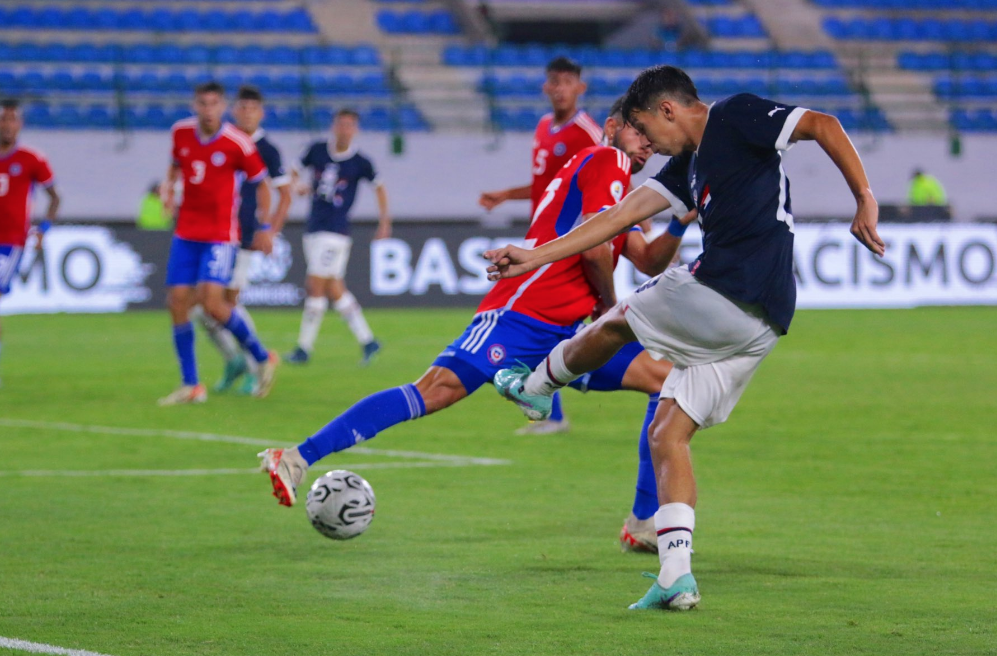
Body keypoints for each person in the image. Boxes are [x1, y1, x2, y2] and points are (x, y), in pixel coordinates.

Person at [485, 65, 884, 611]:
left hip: (728, 289)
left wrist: (864, 197)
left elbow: (823, 123)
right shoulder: (685, 168)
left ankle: (535, 385)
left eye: (647, 129)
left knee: (618, 318)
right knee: (668, 431)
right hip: (761, 323)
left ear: (668, 109)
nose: (646, 142)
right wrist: (534, 253)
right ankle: (676, 576)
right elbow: (619, 216)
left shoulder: (735, 115)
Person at [259, 101, 687, 530]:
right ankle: (297, 457)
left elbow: (649, 261)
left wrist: (678, 224)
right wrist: (609, 307)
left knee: (662, 379)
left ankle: (642, 522)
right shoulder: (605, 159)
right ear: (612, 127)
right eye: (638, 132)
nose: (646, 145)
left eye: (651, 140)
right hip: (523, 313)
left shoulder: (614, 192)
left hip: (563, 328)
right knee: (434, 390)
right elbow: (595, 249)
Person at [479, 55, 603, 435]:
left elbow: (615, 169)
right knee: (546, 323)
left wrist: (639, 216)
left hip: (566, 245)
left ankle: (564, 395)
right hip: (541, 242)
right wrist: (506, 194)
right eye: (555, 81)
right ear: (546, 87)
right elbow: (544, 185)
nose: (561, 88)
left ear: (580, 87)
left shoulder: (587, 131)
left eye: (568, 82)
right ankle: (552, 406)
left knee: (540, 320)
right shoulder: (544, 127)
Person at [158, 81, 279, 406]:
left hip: (220, 235)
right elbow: (174, 166)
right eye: (202, 103)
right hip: (186, 232)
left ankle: (261, 356)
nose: (208, 110)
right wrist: (168, 190)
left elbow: (262, 184)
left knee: (213, 303)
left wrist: (265, 226)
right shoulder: (181, 133)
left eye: (214, 104)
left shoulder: (236, 143)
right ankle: (191, 385)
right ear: (195, 105)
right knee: (178, 302)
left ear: (222, 107)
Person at [195, 85, 292, 395]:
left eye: (253, 108)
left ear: (261, 113)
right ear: (234, 110)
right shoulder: (223, 141)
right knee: (202, 308)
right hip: (213, 233)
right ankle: (235, 360)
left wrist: (268, 229)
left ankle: (255, 365)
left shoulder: (268, 149)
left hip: (245, 237)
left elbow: (284, 195)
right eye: (242, 107)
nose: (247, 113)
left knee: (228, 303)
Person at [284, 109, 390, 366]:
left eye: (350, 125)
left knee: (315, 285)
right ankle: (369, 341)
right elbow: (293, 172)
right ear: (334, 126)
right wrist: (296, 186)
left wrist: (384, 222)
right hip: (313, 228)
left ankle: (303, 348)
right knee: (334, 288)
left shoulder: (360, 162)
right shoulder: (317, 150)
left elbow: (379, 188)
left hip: (336, 231)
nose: (345, 129)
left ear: (356, 130)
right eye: (341, 124)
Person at [0, 98, 60, 388]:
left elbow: (54, 197)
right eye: (3, 119)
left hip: (10, 242)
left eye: (12, 120)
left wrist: (44, 228)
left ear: (20, 124)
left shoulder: (31, 159)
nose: (7, 125)